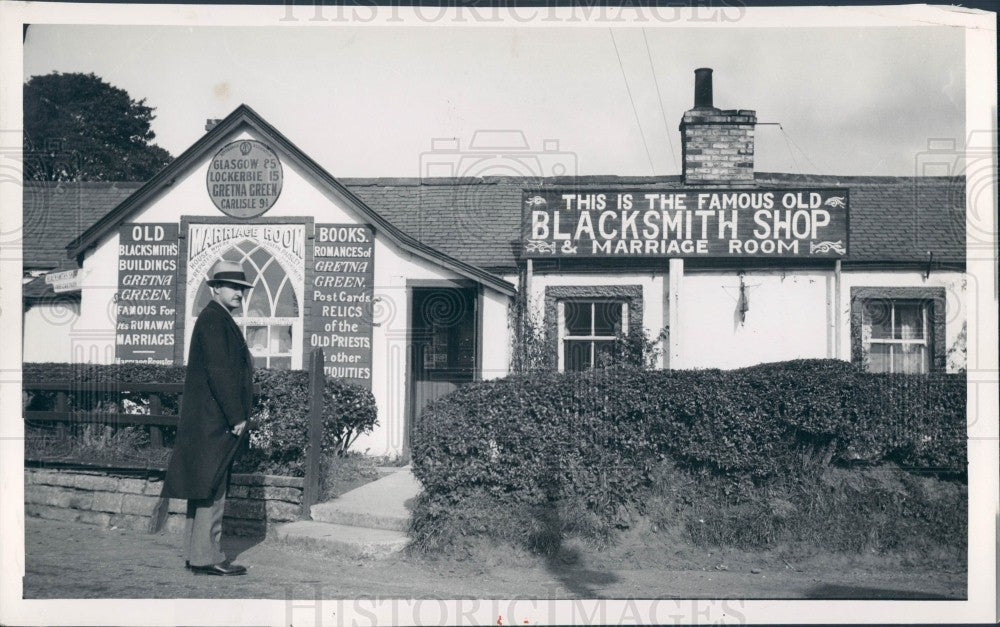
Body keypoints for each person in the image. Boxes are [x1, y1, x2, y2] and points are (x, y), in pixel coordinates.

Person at [159, 259, 255, 576]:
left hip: (207, 421)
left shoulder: (213, 317)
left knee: (204, 487)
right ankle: (208, 556)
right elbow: (220, 373)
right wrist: (236, 415)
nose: (239, 293)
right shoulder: (215, 319)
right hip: (216, 422)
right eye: (233, 287)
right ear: (215, 288)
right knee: (213, 489)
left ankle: (196, 554)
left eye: (242, 288)